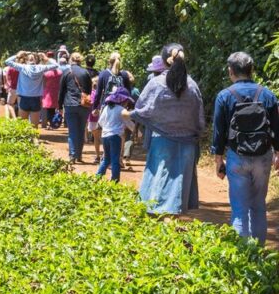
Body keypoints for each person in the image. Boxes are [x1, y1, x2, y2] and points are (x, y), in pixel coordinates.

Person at [127, 43, 205, 215]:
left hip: (161, 142)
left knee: (158, 185)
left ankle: (163, 228)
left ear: (164, 61)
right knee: (178, 188)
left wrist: (129, 114)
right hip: (187, 144)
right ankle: (172, 223)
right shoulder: (192, 86)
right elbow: (199, 119)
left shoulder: (156, 84)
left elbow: (143, 110)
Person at [211, 51, 279, 245]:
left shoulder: (224, 96)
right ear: (252, 71)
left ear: (230, 71)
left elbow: (219, 130)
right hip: (263, 157)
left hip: (237, 157)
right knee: (258, 206)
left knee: (239, 208)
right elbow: (277, 127)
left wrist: (218, 159)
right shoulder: (267, 94)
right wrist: (278, 153)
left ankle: (242, 257)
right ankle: (258, 253)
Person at [5, 51, 59, 128]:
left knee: (22, 125)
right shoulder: (41, 67)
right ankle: (34, 138)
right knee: (34, 126)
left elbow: (7, 61)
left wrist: (17, 55)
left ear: (26, 60)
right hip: (36, 99)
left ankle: (24, 139)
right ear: (36, 60)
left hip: (24, 97)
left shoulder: (22, 67)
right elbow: (56, 65)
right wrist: (46, 58)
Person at [58, 52, 92, 163]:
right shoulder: (85, 72)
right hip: (83, 105)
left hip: (69, 104)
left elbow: (62, 91)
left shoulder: (67, 72)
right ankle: (79, 155)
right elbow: (89, 90)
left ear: (71, 60)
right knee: (81, 130)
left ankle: (72, 155)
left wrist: (59, 106)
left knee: (72, 131)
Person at [96, 87, 135, 182]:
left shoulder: (106, 108)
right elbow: (130, 123)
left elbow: (100, 122)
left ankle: (97, 178)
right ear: (122, 100)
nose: (127, 103)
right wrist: (137, 131)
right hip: (115, 137)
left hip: (105, 136)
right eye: (126, 101)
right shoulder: (121, 110)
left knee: (106, 159)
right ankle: (114, 181)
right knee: (115, 160)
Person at [41, 52, 62, 128]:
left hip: (47, 91)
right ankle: (52, 123)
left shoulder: (46, 73)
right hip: (56, 91)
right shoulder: (60, 72)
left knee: (45, 108)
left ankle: (45, 123)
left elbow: (43, 83)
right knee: (53, 108)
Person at [86, 76, 102, 163]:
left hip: (93, 118)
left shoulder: (91, 94)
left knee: (96, 138)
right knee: (102, 138)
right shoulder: (103, 93)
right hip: (103, 118)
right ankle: (103, 155)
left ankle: (98, 156)